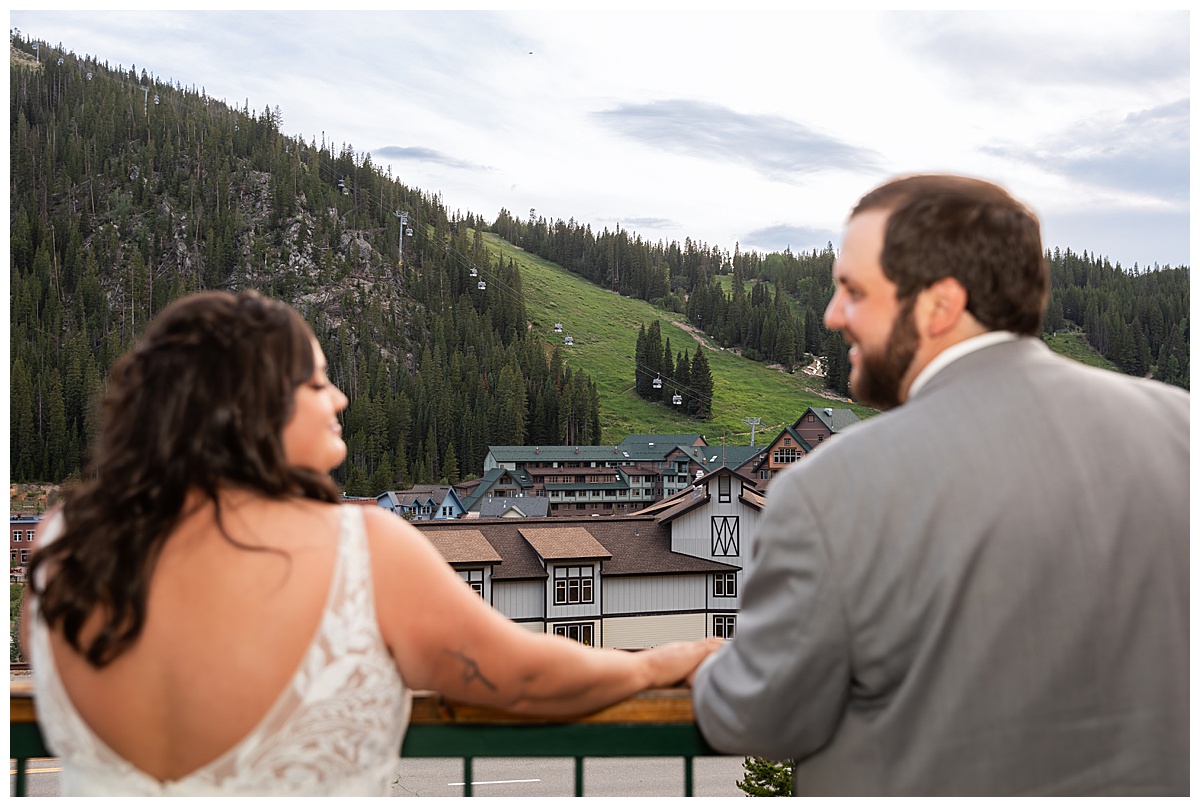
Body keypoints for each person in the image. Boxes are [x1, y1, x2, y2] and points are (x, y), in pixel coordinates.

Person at [22, 290, 721, 796]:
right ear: (251, 404)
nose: (340, 399)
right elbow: (523, 676)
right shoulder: (362, 549)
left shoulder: (64, 548)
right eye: (318, 381)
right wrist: (655, 663)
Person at [690, 174, 1189, 795]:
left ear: (939, 305)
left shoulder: (830, 490)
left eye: (853, 291)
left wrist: (695, 668)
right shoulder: (1183, 429)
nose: (832, 315)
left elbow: (753, 716)